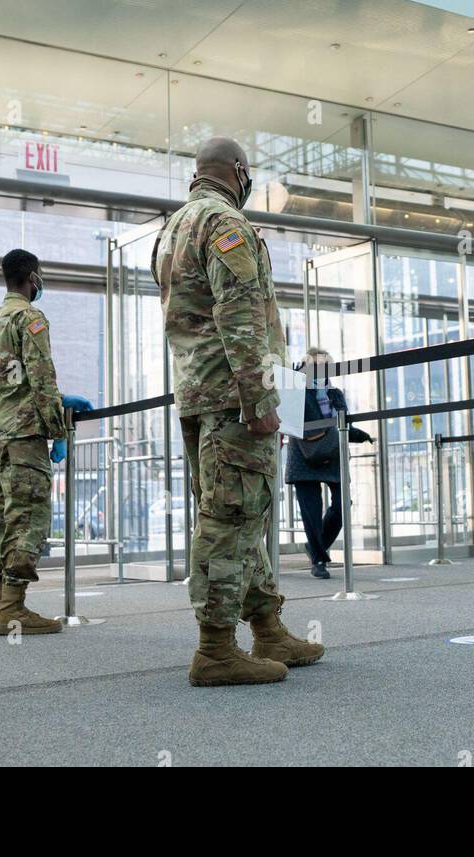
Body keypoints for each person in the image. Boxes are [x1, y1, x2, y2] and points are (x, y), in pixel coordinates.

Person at [152, 136, 324, 687]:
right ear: (239, 171)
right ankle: (216, 648)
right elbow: (240, 312)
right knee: (230, 520)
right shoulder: (226, 225)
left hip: (200, 396)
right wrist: (260, 398)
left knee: (242, 512)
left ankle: (267, 628)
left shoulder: (171, 229)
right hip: (233, 396)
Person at [0, 248, 93, 636]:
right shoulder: (31, 318)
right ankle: (12, 608)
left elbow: (6, 381)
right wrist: (57, 429)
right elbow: (41, 379)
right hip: (24, 434)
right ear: (32, 277)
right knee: (27, 516)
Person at [285, 347, 373, 579]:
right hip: (304, 454)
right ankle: (318, 559)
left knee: (343, 505)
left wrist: (360, 435)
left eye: (326, 366)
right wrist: (295, 381)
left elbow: (344, 425)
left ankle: (316, 546)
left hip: (332, 453)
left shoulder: (335, 393)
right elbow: (289, 416)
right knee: (311, 511)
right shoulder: (296, 389)